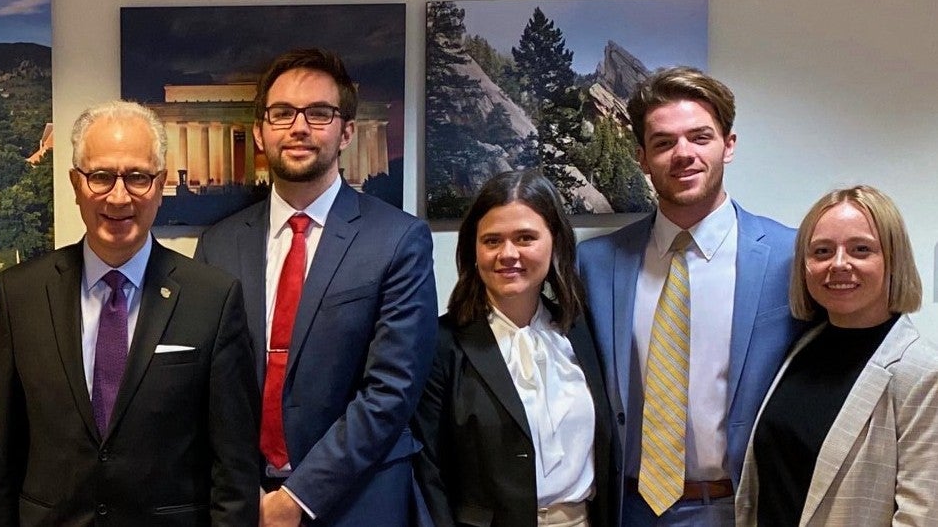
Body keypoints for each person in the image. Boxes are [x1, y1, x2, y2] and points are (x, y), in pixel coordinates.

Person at [193, 47, 439, 526]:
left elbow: (392, 390)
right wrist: (246, 494)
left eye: (319, 113)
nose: (299, 127)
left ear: (346, 130)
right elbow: (209, 387)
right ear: (261, 131)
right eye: (282, 113)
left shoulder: (398, 240)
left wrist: (296, 497)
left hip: (358, 500)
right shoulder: (217, 245)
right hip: (244, 503)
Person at [0, 100, 258, 527]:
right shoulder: (20, 294)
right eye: (100, 177)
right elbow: (4, 455)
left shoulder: (214, 299)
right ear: (76, 184)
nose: (119, 196)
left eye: (137, 177)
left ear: (161, 184)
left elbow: (234, 469)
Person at [577, 67, 805, 527]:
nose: (684, 154)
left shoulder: (789, 256)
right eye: (663, 143)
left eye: (700, 137)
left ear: (729, 145)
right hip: (626, 509)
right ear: (642, 158)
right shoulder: (596, 264)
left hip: (740, 507)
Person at [413, 170, 617, 527]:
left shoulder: (582, 331)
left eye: (525, 238)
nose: (508, 254)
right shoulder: (440, 342)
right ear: (473, 250)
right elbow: (429, 471)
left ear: (555, 241)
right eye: (492, 241)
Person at [737, 186, 938, 526]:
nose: (839, 264)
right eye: (822, 251)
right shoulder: (800, 347)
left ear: (893, 259)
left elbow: (922, 516)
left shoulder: (921, 373)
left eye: (861, 250)